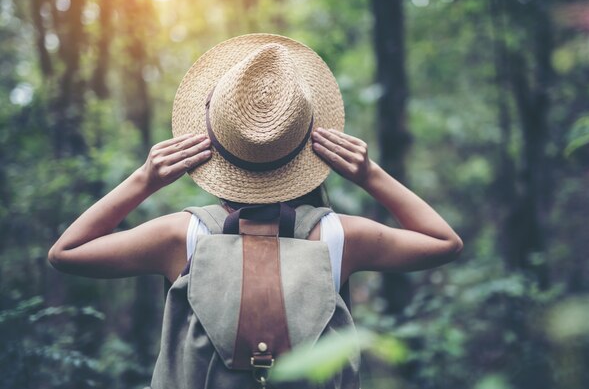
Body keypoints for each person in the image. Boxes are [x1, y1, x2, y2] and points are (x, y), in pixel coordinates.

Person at [48, 34, 463, 385]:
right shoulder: (337, 237)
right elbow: (444, 242)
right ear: (308, 144)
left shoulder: (182, 236)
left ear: (214, 144)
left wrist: (145, 179)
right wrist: (369, 175)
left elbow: (66, 253)